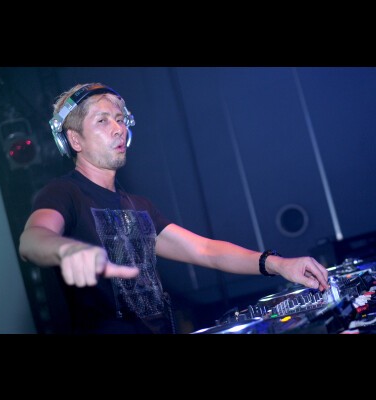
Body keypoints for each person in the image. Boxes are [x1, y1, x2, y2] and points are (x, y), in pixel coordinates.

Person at [19, 82, 329, 334]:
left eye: (120, 119)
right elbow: (32, 240)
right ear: (74, 140)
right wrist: (67, 250)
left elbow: (206, 251)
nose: (118, 129)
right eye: (102, 121)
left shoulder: (138, 206)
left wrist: (277, 264)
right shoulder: (65, 193)